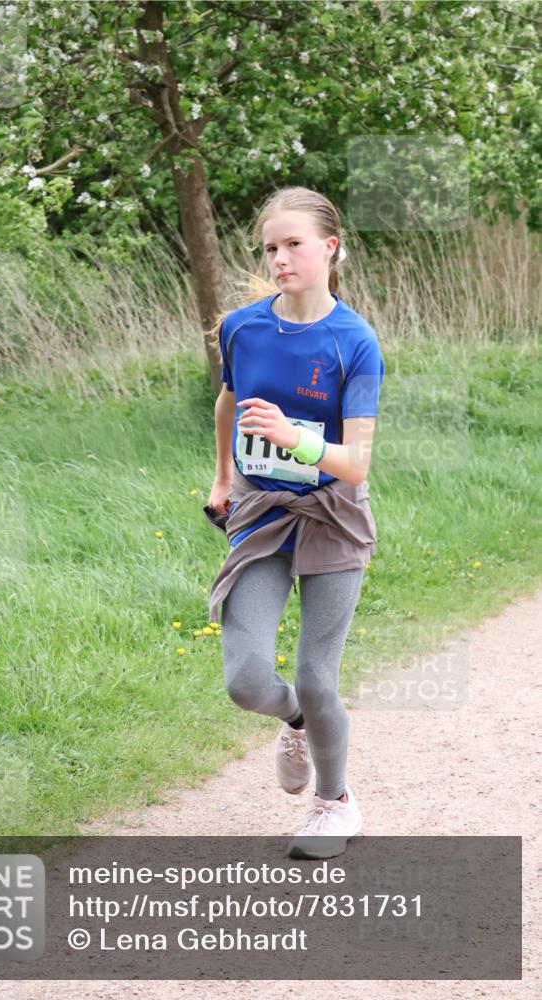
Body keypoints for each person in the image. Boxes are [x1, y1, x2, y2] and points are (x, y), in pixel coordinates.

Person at [205, 186, 385, 859]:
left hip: (333, 516)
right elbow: (227, 402)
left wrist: (293, 438)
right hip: (258, 511)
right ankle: (297, 723)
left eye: (293, 245)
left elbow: (356, 462)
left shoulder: (353, 341)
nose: (279, 258)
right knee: (245, 678)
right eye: (270, 248)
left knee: (316, 672)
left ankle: (333, 803)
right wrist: (224, 477)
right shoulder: (243, 327)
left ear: (329, 247)